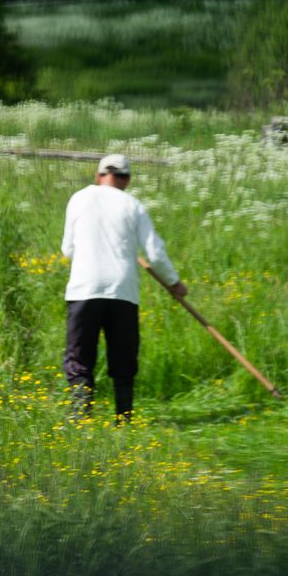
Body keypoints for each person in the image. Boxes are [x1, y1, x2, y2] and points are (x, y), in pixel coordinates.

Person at [61, 154, 187, 422]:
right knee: (123, 359)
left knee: (80, 356)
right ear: (127, 179)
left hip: (84, 288)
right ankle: (124, 420)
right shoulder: (133, 205)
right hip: (122, 291)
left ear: (98, 176)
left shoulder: (78, 198)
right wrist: (174, 282)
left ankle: (80, 421)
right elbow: (154, 252)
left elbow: (67, 249)